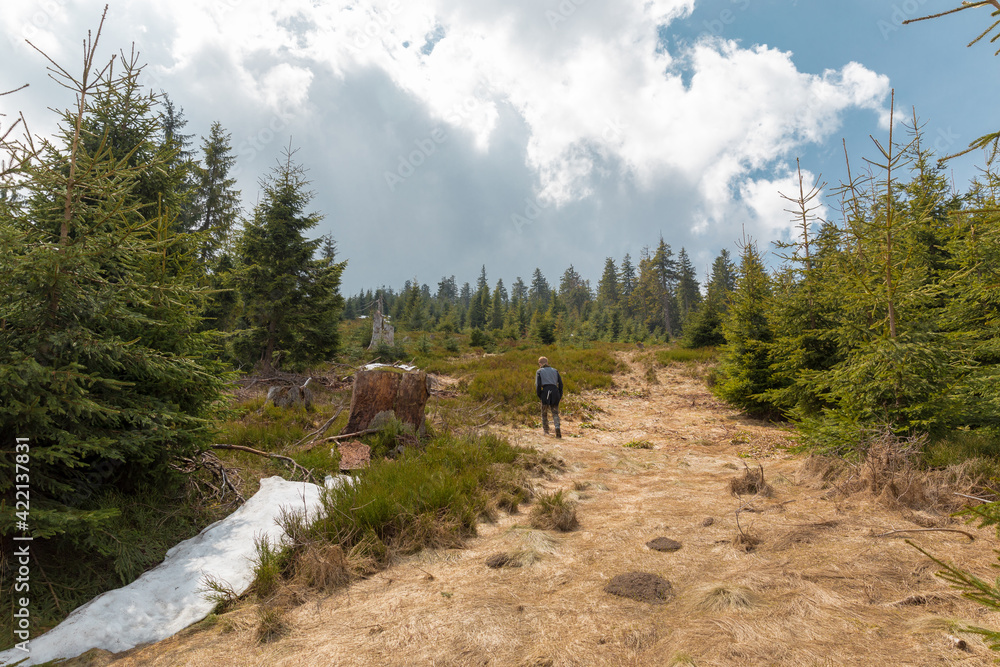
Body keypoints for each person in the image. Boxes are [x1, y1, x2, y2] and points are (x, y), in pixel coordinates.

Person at [535, 356, 563, 438]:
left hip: (545, 392)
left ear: (540, 364)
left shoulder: (539, 371)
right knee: (555, 413)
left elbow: (538, 385)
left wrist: (540, 395)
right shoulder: (555, 371)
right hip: (555, 392)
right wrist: (560, 395)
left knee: (544, 413)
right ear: (547, 362)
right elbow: (560, 384)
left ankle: (546, 431)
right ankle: (557, 428)